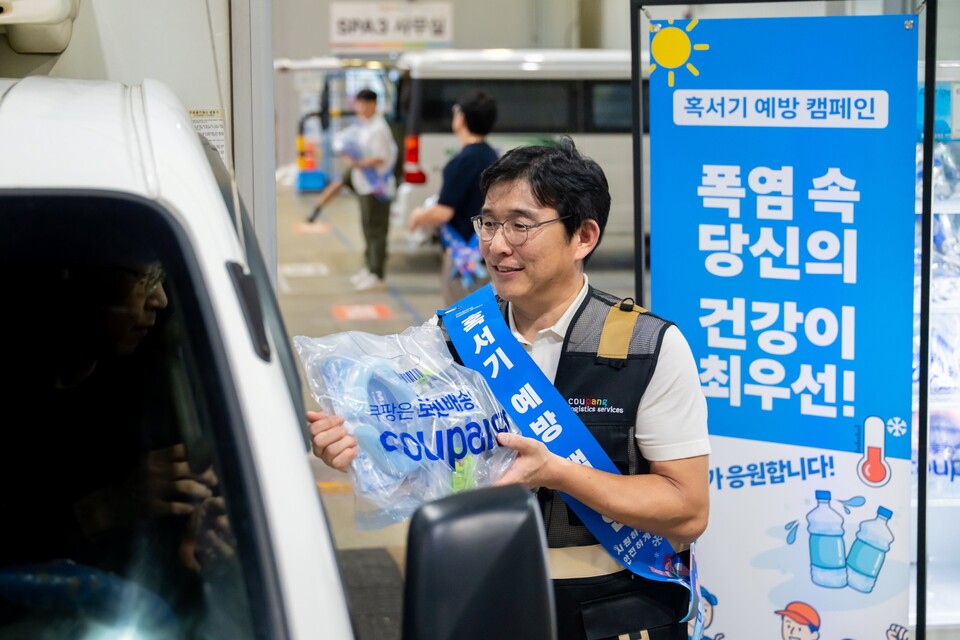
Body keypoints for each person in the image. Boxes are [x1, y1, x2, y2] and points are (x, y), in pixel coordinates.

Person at [309, 138, 710, 639]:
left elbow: (688, 511)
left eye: (521, 225)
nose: (498, 245)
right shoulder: (450, 340)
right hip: (479, 593)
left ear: (583, 236)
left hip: (612, 607)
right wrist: (360, 449)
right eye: (489, 223)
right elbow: (425, 470)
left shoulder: (648, 346)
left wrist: (558, 473)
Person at [408, 90, 499, 306]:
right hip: (484, 249)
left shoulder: (464, 160)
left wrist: (418, 216)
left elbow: (443, 212)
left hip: (463, 257)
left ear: (462, 118)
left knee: (460, 321)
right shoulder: (490, 154)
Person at [307, 88, 398, 291]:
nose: (362, 108)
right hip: (364, 184)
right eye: (360, 103)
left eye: (367, 103)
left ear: (375, 104)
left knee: (376, 231)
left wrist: (357, 163)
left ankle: (377, 273)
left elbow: (380, 158)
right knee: (367, 228)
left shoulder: (379, 128)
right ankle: (369, 268)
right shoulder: (363, 125)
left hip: (377, 187)